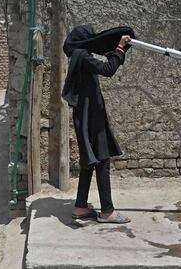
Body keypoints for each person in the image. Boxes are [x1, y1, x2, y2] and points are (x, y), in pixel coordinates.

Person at [61, 24, 134, 224]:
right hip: (91, 115)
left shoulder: (77, 55)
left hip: (85, 114)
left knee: (89, 160)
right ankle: (107, 211)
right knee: (102, 159)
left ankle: (80, 206)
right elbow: (107, 69)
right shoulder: (83, 57)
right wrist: (120, 48)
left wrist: (114, 48)